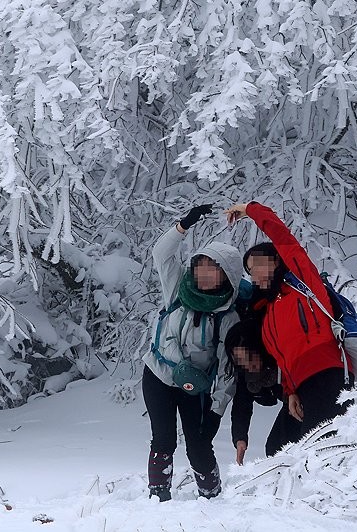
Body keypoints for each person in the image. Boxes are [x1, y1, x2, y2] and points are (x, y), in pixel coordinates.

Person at [224, 201, 350, 447]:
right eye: (251, 270)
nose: (256, 272)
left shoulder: (304, 286)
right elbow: (284, 358)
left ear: (278, 261)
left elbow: (282, 235)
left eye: (261, 263)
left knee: (320, 448)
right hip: (300, 386)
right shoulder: (268, 313)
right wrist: (290, 392)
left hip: (327, 374)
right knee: (277, 447)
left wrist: (250, 209)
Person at [142, 203, 243, 501]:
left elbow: (228, 369)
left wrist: (216, 410)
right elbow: (161, 255)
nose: (204, 274)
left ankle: (212, 499)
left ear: (227, 276)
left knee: (198, 445)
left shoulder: (228, 316)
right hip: (158, 375)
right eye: (201, 266)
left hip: (193, 387)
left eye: (213, 269)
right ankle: (158, 499)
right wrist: (183, 226)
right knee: (163, 440)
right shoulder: (178, 288)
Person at [224, 319, 298, 463]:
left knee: (282, 448)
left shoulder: (282, 358)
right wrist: (240, 439)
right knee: (274, 450)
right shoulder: (246, 374)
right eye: (240, 361)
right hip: (289, 405)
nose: (247, 365)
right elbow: (241, 406)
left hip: (305, 397)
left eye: (250, 358)